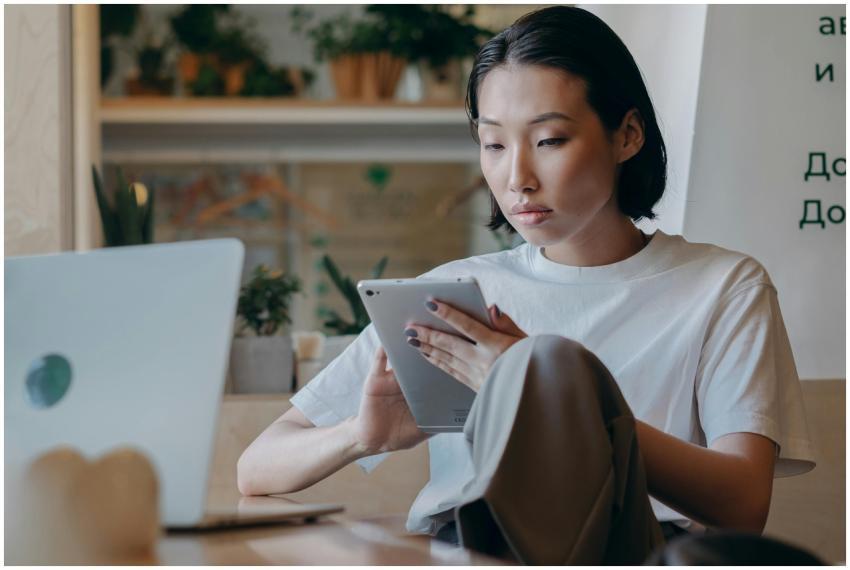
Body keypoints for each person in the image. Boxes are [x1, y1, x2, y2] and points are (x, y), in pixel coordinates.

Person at [237, 6, 815, 564]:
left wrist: (545, 395)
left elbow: (742, 505)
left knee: (555, 368)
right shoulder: (455, 294)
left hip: (634, 553)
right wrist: (360, 435)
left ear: (628, 135)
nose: (517, 178)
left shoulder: (723, 287)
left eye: (550, 140)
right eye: (493, 144)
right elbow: (257, 468)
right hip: (459, 551)